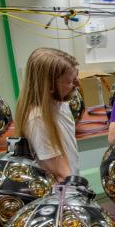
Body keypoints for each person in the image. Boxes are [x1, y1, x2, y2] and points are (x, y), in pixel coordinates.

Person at [15, 48, 80, 181]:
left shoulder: (60, 103)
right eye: (70, 81)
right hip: (62, 193)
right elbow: (62, 173)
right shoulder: (38, 120)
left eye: (76, 76)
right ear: (49, 87)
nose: (77, 84)